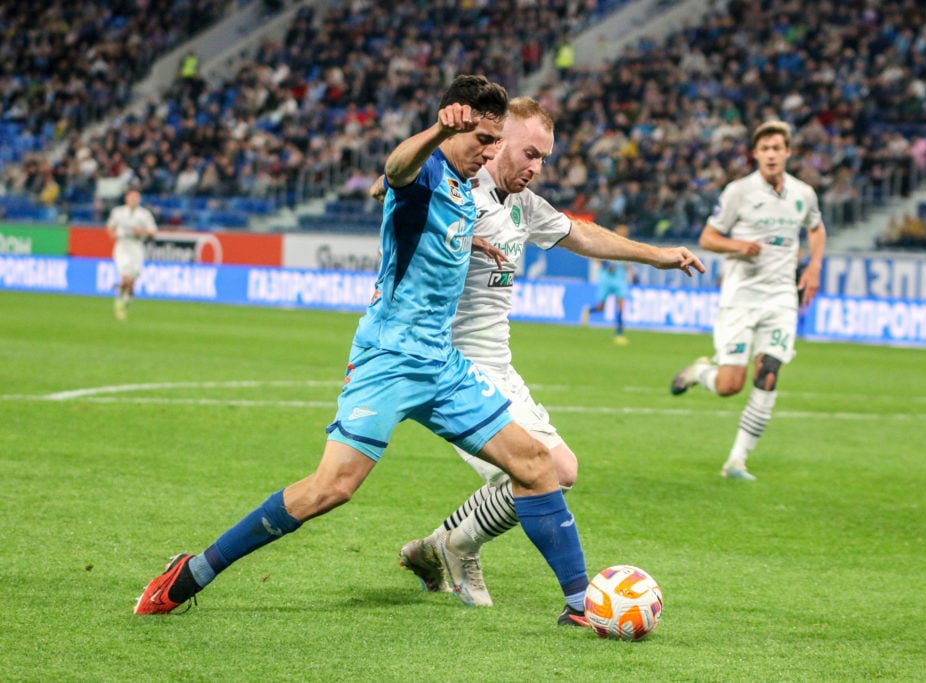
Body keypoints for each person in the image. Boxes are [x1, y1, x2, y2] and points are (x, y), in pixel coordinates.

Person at [133, 75, 591, 627]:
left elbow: (417, 214)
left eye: (497, 142)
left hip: (442, 365)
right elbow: (395, 172)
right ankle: (191, 573)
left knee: (540, 465)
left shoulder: (471, 188)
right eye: (482, 140)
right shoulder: (423, 170)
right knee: (332, 489)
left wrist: (469, 238)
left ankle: (581, 607)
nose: (490, 153)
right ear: (453, 124)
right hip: (389, 361)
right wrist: (430, 138)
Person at [391, 97, 705, 607]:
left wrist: (657, 256)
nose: (536, 168)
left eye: (544, 159)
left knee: (562, 470)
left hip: (499, 365)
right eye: (529, 153)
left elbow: (580, 232)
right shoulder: (453, 192)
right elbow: (399, 207)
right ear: (497, 142)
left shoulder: (521, 203)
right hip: (454, 367)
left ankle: (442, 545)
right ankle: (462, 550)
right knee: (541, 473)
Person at [669, 120, 826, 481]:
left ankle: (737, 461)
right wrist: (737, 245)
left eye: (777, 148)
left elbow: (816, 228)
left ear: (787, 152)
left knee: (769, 372)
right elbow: (708, 237)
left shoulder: (804, 194)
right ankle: (700, 372)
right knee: (729, 386)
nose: (771, 154)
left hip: (782, 298)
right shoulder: (738, 191)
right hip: (741, 298)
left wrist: (814, 266)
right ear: (756, 154)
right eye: (765, 149)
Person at [105, 189, 157, 320]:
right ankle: (119, 304)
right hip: (122, 246)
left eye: (136, 198)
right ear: (126, 199)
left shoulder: (144, 214)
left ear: (139, 200)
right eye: (131, 197)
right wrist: (114, 236)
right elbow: (110, 227)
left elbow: (153, 232)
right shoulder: (118, 212)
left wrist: (141, 231)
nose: (133, 200)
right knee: (126, 278)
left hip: (137, 247)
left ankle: (126, 296)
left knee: (132, 281)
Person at [580, 224, 635, 345]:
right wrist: (607, 265)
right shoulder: (608, 242)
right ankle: (588, 310)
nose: (624, 235)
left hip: (619, 279)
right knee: (601, 307)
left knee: (621, 305)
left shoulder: (628, 246)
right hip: (606, 278)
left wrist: (631, 270)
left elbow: (628, 262)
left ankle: (619, 334)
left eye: (625, 233)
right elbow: (596, 257)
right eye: (622, 233)